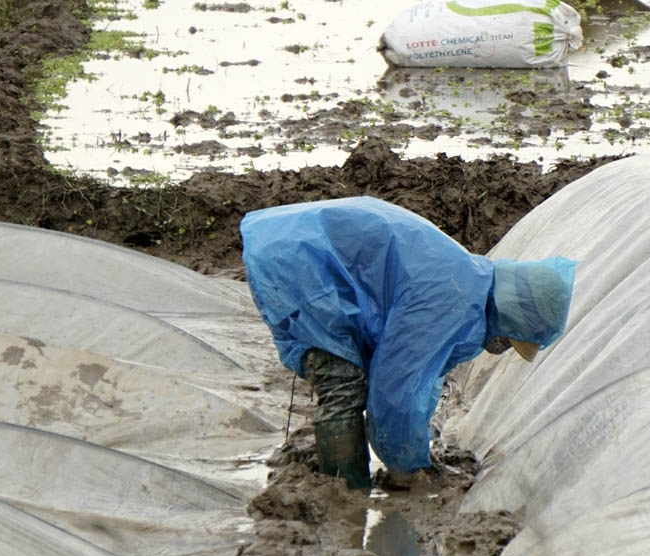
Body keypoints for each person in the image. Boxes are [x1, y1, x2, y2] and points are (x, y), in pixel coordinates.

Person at [241, 196, 576, 489]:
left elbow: (423, 381)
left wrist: (420, 444)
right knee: (343, 383)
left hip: (298, 245)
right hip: (298, 257)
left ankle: (341, 473)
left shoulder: (469, 284)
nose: (501, 346)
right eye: (511, 339)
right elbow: (395, 391)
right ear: (511, 316)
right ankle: (344, 495)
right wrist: (409, 469)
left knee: (347, 373)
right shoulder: (449, 301)